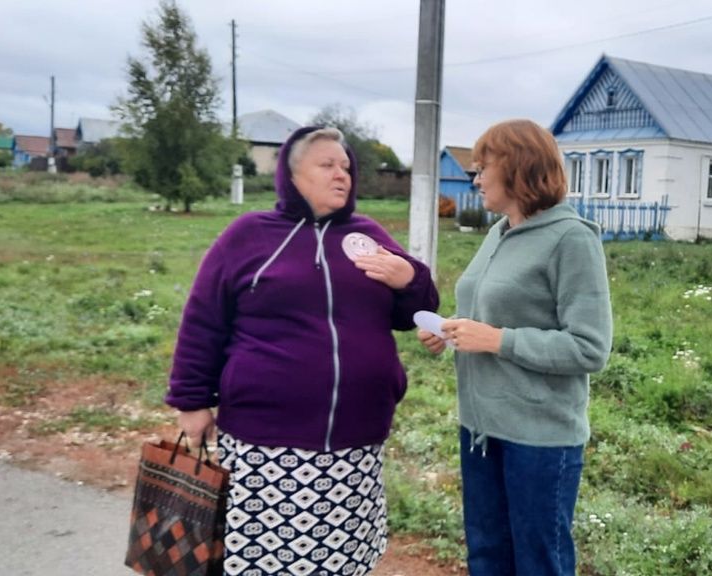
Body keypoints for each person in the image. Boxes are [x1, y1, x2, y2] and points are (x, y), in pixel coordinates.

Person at [167, 126, 439, 576]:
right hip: (265, 440)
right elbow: (203, 320)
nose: (342, 175)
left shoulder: (366, 236)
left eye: (347, 167)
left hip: (355, 439)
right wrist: (191, 401)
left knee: (339, 558)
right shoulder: (249, 236)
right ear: (292, 174)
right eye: (327, 165)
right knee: (261, 558)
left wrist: (407, 279)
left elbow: (417, 310)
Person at [417, 119, 612, 575]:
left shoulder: (572, 239)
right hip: (481, 429)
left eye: (485, 167)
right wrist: (450, 329)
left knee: (539, 563)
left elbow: (590, 347)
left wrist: (496, 340)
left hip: (540, 439)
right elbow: (489, 311)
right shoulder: (498, 232)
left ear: (521, 169)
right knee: (487, 558)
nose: (476, 177)